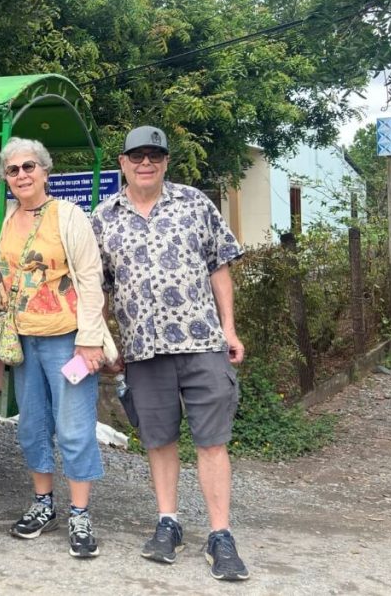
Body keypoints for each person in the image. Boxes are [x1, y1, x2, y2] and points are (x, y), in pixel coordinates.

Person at [91, 126, 249, 581]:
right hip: (143, 350)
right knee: (158, 440)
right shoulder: (103, 217)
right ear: (122, 162)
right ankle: (168, 522)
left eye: (154, 156)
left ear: (165, 162)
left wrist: (230, 329)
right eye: (137, 155)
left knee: (212, 440)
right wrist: (107, 342)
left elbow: (219, 267)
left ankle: (221, 534)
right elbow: (96, 287)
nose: (146, 163)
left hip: (202, 344)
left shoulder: (195, 203)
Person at [0, 138, 109, 558]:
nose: (21, 175)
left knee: (74, 427)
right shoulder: (6, 218)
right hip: (22, 340)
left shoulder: (68, 215)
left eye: (29, 167)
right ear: (5, 178)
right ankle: (44, 504)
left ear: (45, 172)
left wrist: (91, 338)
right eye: (13, 170)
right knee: (32, 426)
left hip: (67, 339)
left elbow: (91, 278)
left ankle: (79, 512)